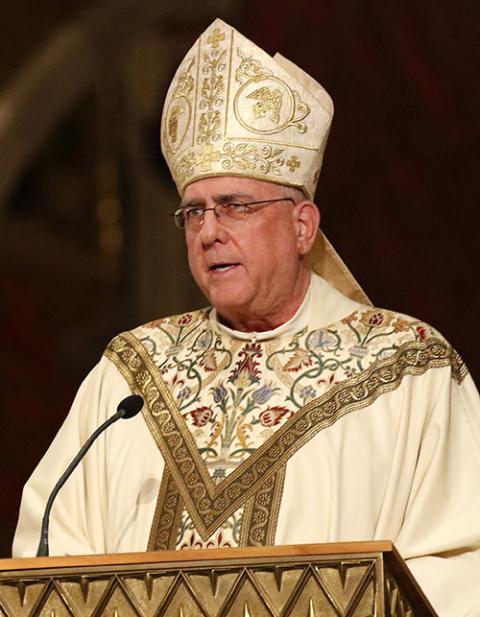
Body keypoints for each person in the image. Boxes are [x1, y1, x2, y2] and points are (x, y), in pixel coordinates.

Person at [13, 18, 480, 616]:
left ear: (302, 225)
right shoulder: (128, 376)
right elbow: (50, 558)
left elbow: (460, 568)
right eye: (193, 212)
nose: (209, 232)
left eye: (234, 206)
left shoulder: (409, 371)